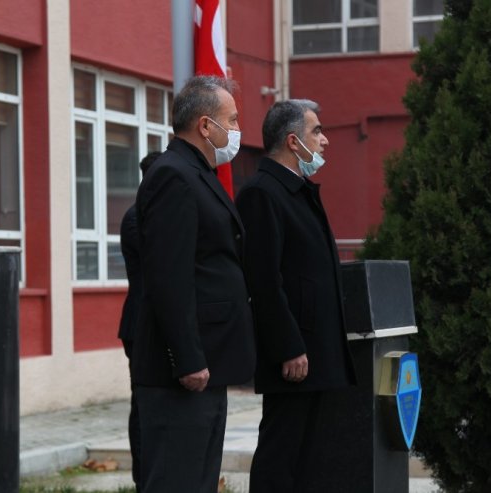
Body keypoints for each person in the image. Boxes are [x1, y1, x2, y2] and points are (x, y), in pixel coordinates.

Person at [131, 75, 256, 493]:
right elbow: (170, 275)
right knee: (176, 481)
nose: (237, 130)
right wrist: (186, 357)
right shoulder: (173, 175)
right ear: (206, 125)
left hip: (209, 361)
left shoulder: (197, 173)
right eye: (232, 120)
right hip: (184, 371)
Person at [236, 99, 356, 492]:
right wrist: (288, 346)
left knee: (310, 460)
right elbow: (265, 281)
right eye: (316, 131)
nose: (324, 141)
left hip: (317, 351)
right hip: (295, 356)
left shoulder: (298, 190)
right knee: (282, 456)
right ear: (292, 141)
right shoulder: (262, 193)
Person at [117, 150, 161, 492]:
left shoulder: (151, 214)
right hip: (140, 324)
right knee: (142, 404)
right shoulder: (137, 218)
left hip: (153, 321)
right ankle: (142, 478)